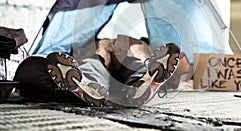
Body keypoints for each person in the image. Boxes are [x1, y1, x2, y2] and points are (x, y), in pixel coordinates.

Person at [45, 35, 180, 107]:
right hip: (111, 62)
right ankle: (142, 82)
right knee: (124, 63)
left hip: (114, 63)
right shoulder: (96, 45)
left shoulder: (134, 44)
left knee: (97, 63)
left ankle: (89, 84)